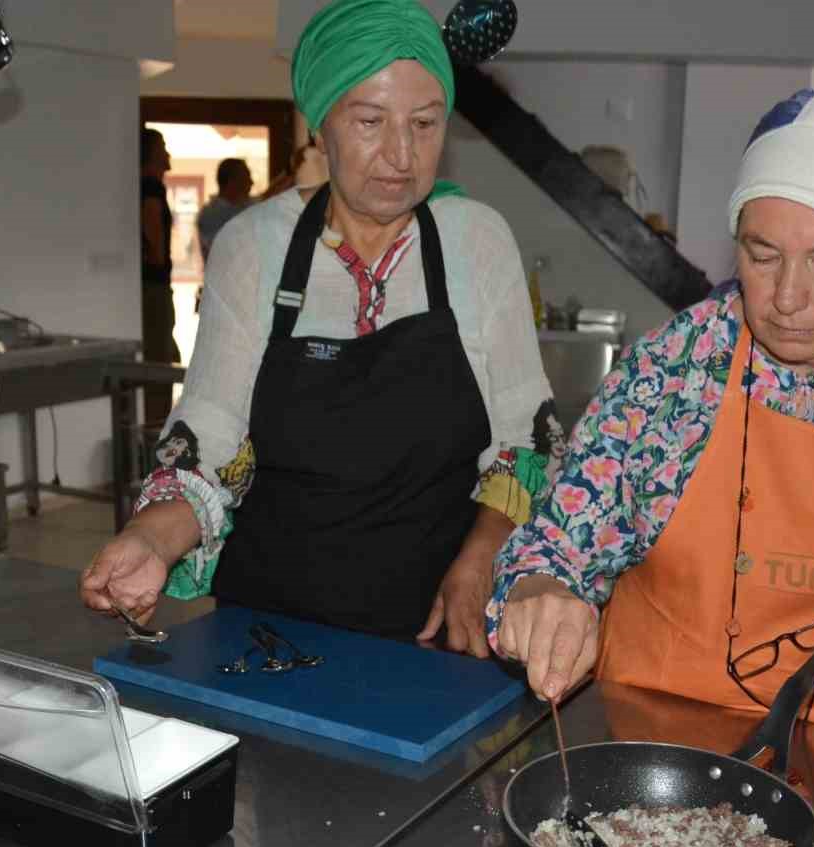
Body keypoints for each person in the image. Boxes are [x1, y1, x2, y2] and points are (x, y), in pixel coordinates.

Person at [489, 88, 814, 746]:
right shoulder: (670, 372)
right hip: (653, 751)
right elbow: (556, 547)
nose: (787, 297)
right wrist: (542, 593)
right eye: (762, 255)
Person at [80, 0, 560, 657]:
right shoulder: (254, 248)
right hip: (271, 628)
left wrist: (479, 562)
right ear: (321, 124)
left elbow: (527, 440)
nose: (401, 153)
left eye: (425, 124)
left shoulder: (477, 243)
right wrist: (151, 538)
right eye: (370, 121)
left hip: (435, 621)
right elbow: (213, 432)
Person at [140, 127, 180, 420]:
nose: (167, 153)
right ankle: (157, 430)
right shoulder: (151, 188)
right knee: (161, 361)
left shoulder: (147, 186)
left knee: (167, 354)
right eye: (162, 146)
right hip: (153, 287)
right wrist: (156, 257)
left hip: (153, 286)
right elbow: (153, 235)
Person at [197, 158, 254, 261]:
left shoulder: (240, 207)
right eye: (246, 177)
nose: (251, 183)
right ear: (232, 182)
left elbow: (267, 197)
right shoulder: (211, 215)